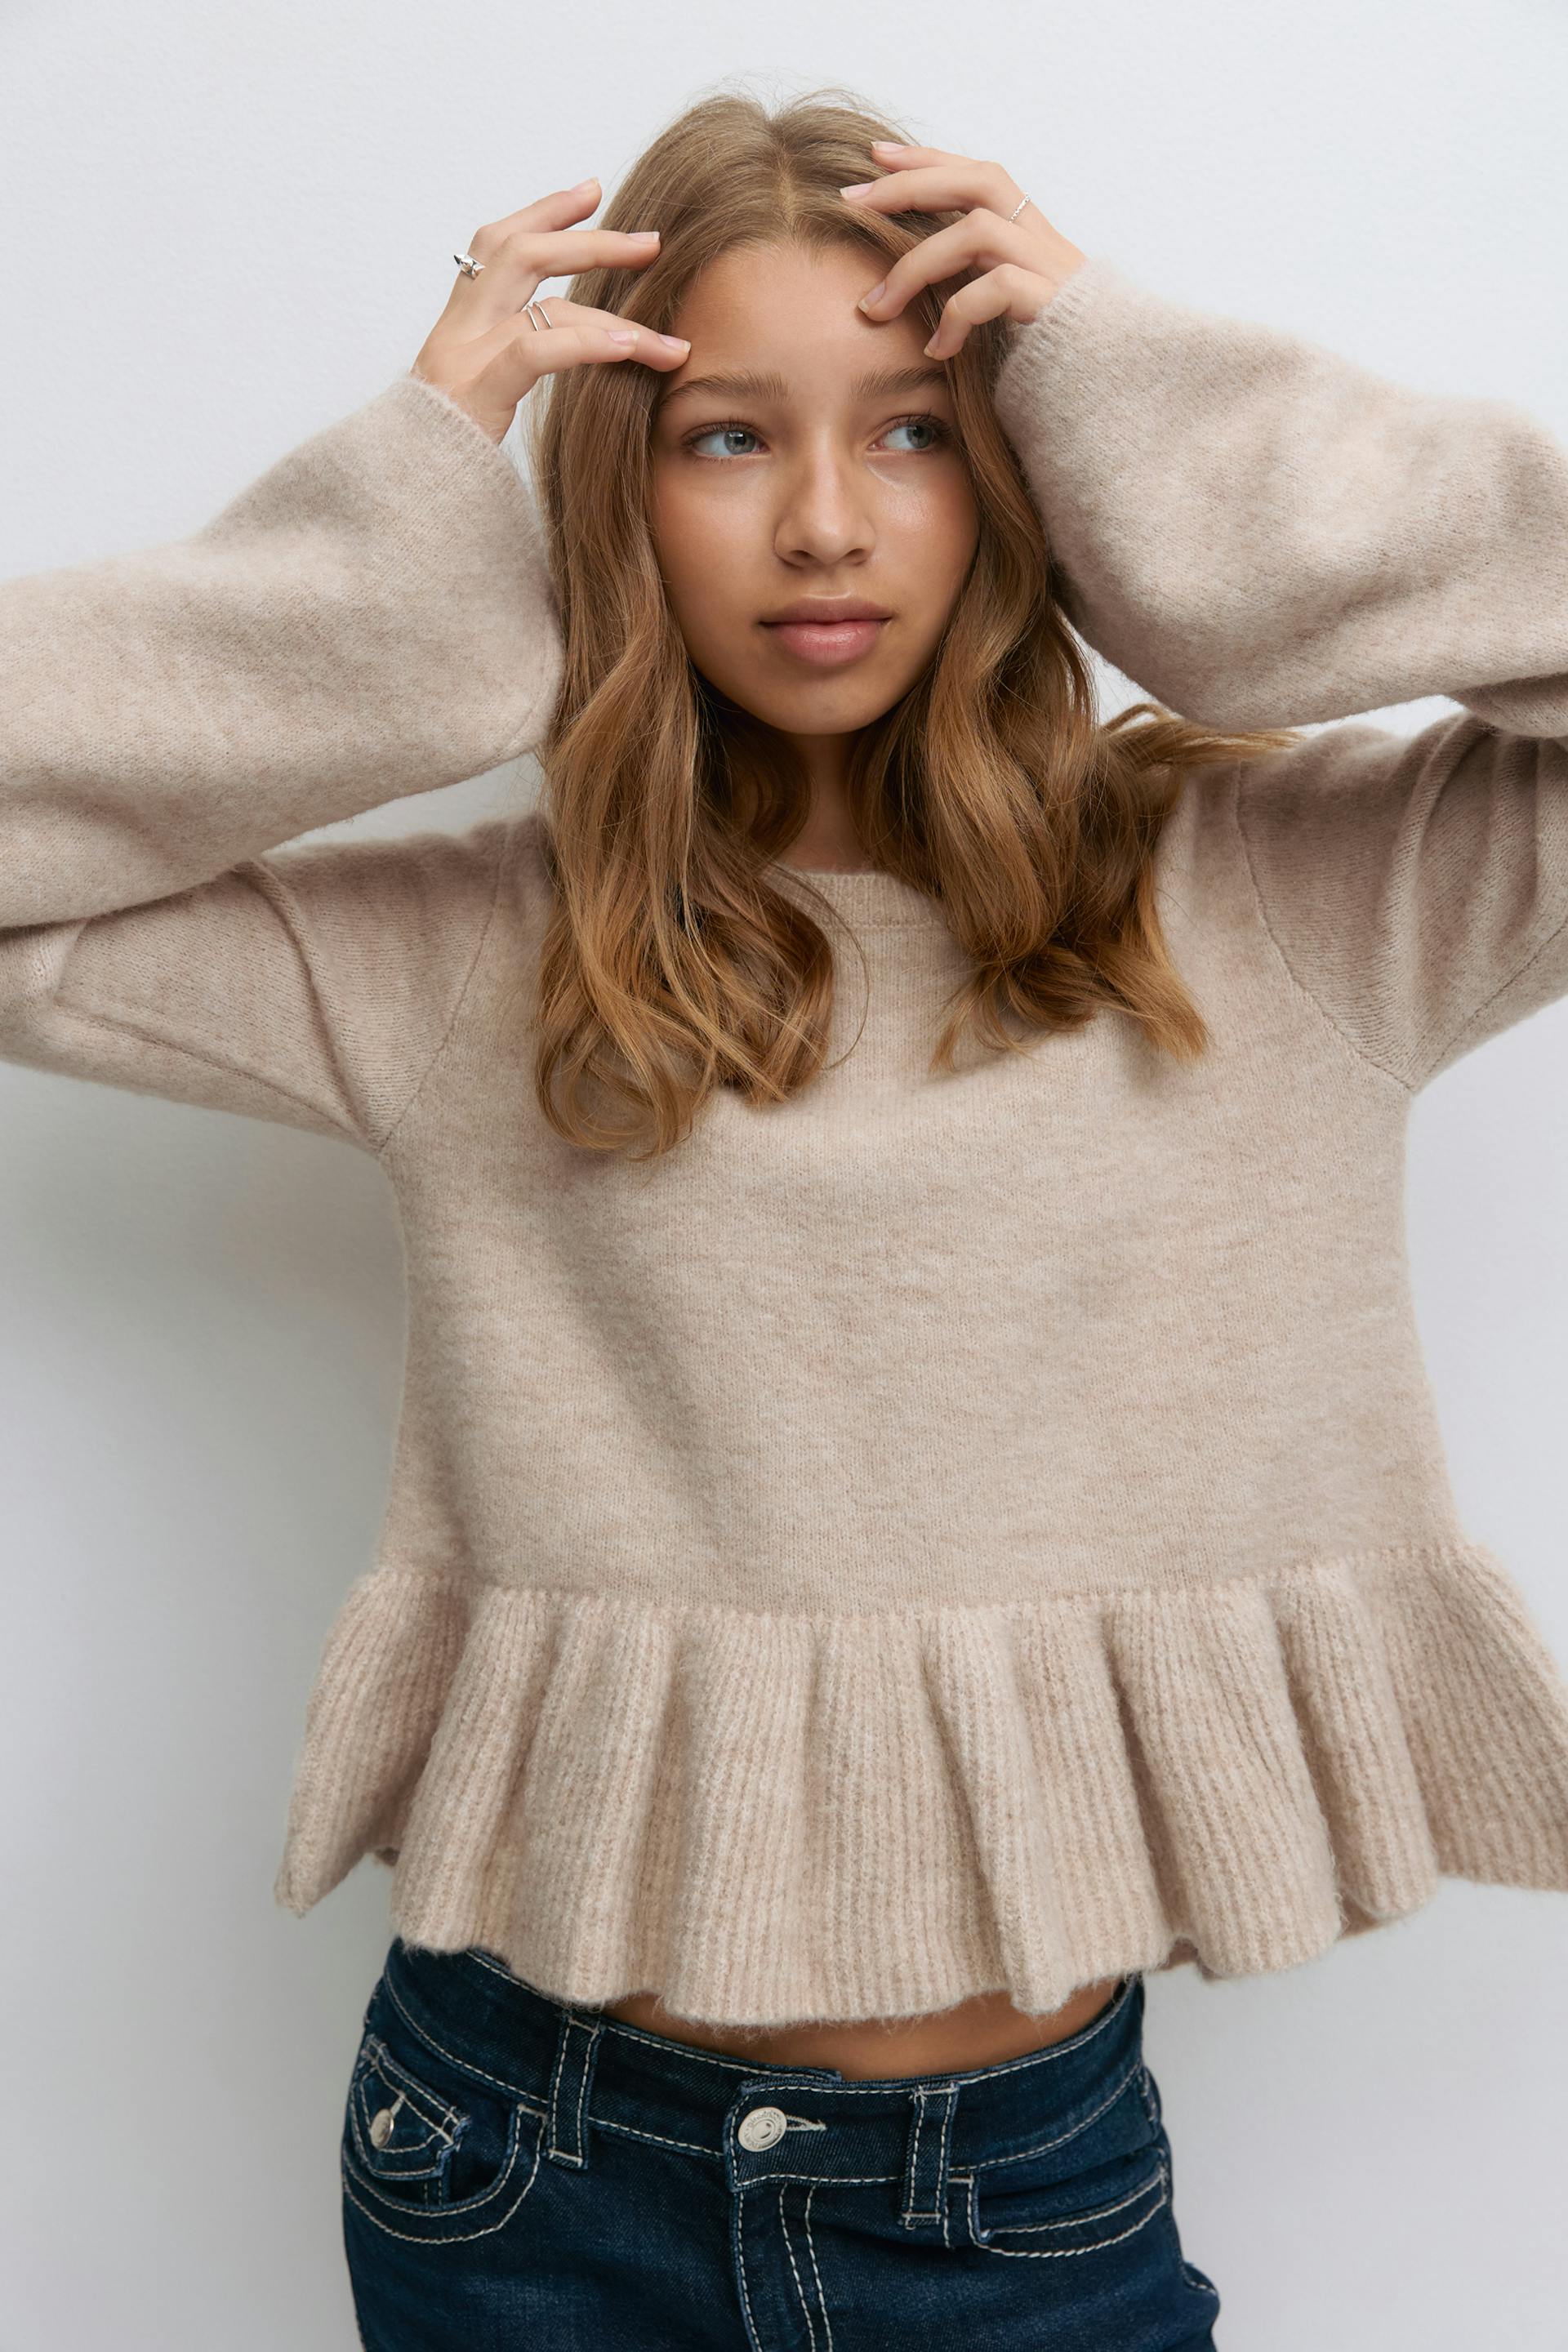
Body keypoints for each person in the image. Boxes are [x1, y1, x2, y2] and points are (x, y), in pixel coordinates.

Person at [7, 78, 1568, 2348]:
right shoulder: (482, 953)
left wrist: (1185, 442)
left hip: (1019, 2195)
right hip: (518, 2170)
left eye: (921, 431)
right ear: (617, 497)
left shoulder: (1296, 897)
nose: (828, 522)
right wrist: (381, 581)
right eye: (728, 436)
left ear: (1036, 472)